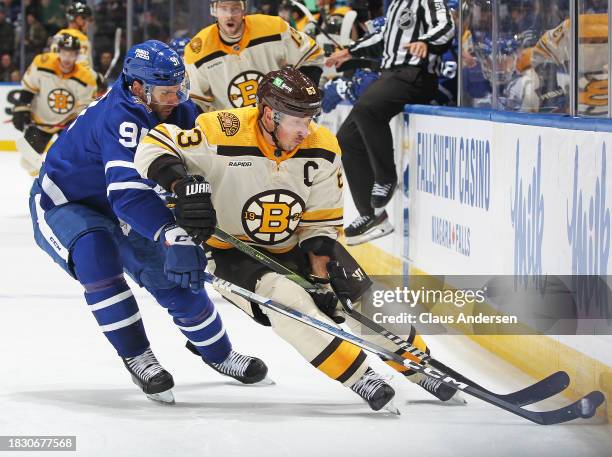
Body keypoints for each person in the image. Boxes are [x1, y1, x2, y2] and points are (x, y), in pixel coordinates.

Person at [135, 66, 461, 411]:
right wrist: (182, 185)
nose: (306, 130)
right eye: (297, 120)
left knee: (358, 294)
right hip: (231, 253)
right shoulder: (224, 129)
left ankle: (421, 364)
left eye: (310, 119)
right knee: (288, 301)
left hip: (295, 245)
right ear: (269, 114)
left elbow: (320, 222)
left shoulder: (322, 146)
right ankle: (360, 376)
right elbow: (154, 145)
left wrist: (322, 275)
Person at [28, 40, 268, 403]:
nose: (176, 99)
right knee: (98, 257)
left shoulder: (180, 109)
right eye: (167, 92)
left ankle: (219, 354)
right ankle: (137, 355)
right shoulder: (121, 117)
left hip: (120, 204)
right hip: (66, 203)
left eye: (179, 88)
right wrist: (172, 231)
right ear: (138, 87)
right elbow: (127, 195)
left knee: (177, 279)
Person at [326, 0, 454, 245]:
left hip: (415, 74)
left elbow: (446, 26)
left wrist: (426, 42)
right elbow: (385, 37)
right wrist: (351, 51)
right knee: (346, 139)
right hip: (391, 75)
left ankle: (385, 178)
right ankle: (372, 215)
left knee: (367, 109)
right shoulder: (396, 4)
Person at [184, 0, 324, 112]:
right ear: (213, 10)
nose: (229, 15)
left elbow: (311, 55)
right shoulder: (198, 50)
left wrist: (304, 98)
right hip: (231, 132)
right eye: (223, 8)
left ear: (244, 7)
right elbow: (196, 101)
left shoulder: (273, 27)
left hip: (279, 122)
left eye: (235, 8)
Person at [13, 33, 97, 176]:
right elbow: (29, 87)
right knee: (27, 162)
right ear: (57, 51)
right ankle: (40, 185)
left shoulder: (86, 77)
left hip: (66, 123)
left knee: (72, 162)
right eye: (64, 53)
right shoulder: (41, 63)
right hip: (40, 120)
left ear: (78, 55)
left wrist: (79, 128)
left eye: (71, 54)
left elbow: (85, 108)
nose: (67, 59)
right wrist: (22, 107)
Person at [51, 2, 94, 68]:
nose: (89, 24)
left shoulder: (57, 36)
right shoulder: (82, 39)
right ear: (79, 19)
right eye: (89, 20)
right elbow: (84, 67)